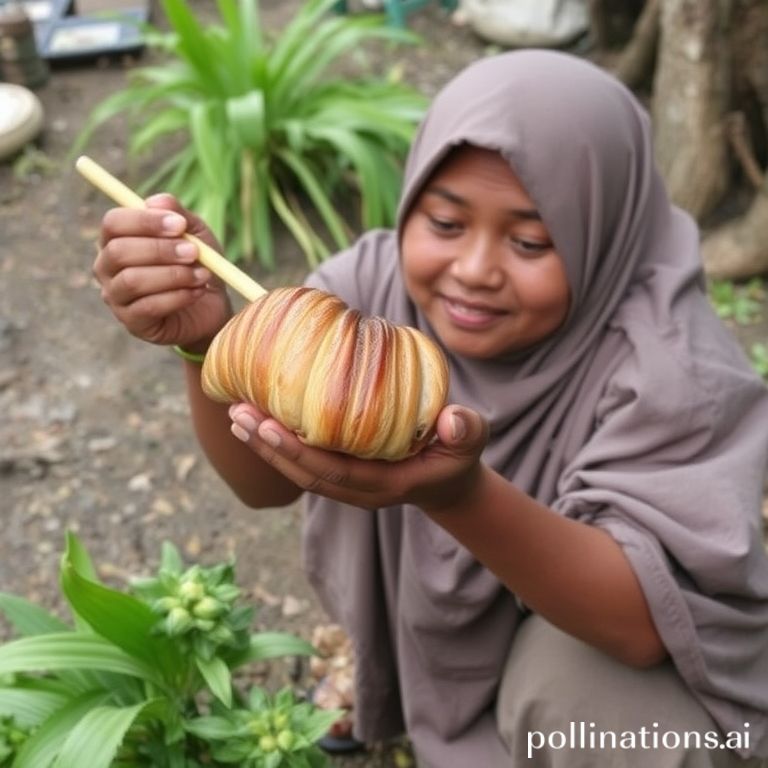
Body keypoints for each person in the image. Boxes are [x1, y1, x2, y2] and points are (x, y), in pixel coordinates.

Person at [92, 50, 768, 767]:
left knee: (603, 721)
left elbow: (643, 627)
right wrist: (208, 344)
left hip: (594, 638)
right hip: (440, 628)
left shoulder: (676, 373)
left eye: (531, 240)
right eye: (445, 223)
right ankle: (403, 686)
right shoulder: (364, 299)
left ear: (600, 227)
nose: (473, 271)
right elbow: (265, 484)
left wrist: (459, 493)